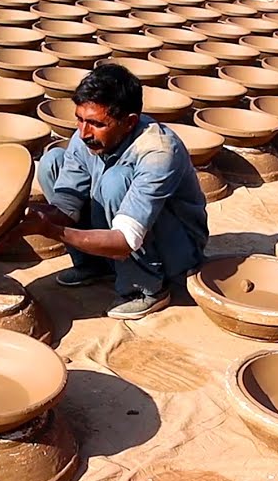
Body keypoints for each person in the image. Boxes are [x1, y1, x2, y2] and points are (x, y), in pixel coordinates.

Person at [19, 63, 208, 320]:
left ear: (129, 122)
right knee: (52, 162)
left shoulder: (159, 152)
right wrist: (25, 215)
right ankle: (93, 265)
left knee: (115, 181)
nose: (84, 132)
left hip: (174, 247)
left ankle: (146, 288)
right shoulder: (85, 136)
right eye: (79, 119)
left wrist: (51, 230)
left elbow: (126, 240)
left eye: (97, 123)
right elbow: (66, 207)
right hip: (117, 228)